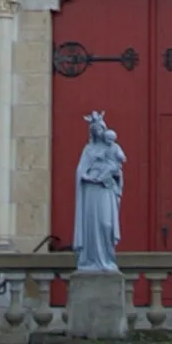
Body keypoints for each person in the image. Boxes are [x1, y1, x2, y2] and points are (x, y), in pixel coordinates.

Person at [73, 109, 125, 272]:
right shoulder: (88, 150)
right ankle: (91, 260)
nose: (98, 132)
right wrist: (89, 177)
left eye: (100, 129)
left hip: (106, 191)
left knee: (106, 224)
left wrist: (114, 175)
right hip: (91, 192)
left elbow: (119, 168)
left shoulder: (113, 148)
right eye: (94, 130)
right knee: (91, 226)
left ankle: (107, 259)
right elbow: (80, 171)